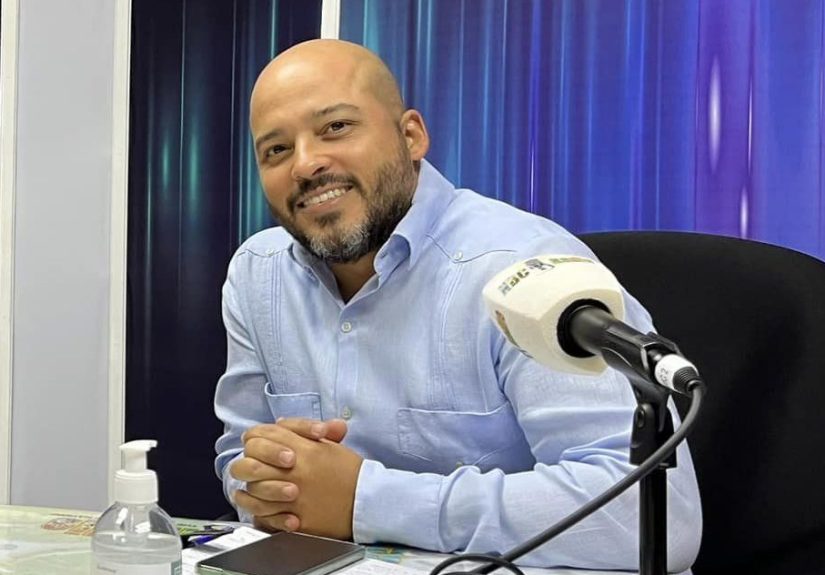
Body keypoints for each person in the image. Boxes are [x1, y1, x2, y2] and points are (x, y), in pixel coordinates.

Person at [214, 39, 701, 570]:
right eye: (276, 150)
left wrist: (365, 501)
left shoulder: (520, 268)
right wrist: (269, 483)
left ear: (411, 136)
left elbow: (652, 518)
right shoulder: (257, 274)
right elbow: (240, 461)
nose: (306, 164)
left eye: (336, 127)